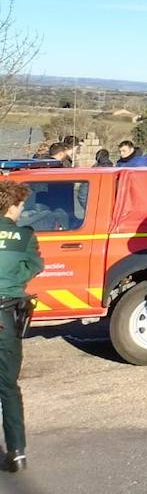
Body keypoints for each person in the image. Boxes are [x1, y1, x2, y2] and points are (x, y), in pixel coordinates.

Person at [0, 179, 42, 473]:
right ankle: (16, 452)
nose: (22, 209)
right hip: (5, 315)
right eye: (21, 204)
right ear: (11, 206)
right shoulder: (24, 236)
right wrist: (14, 282)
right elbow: (35, 266)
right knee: (7, 386)